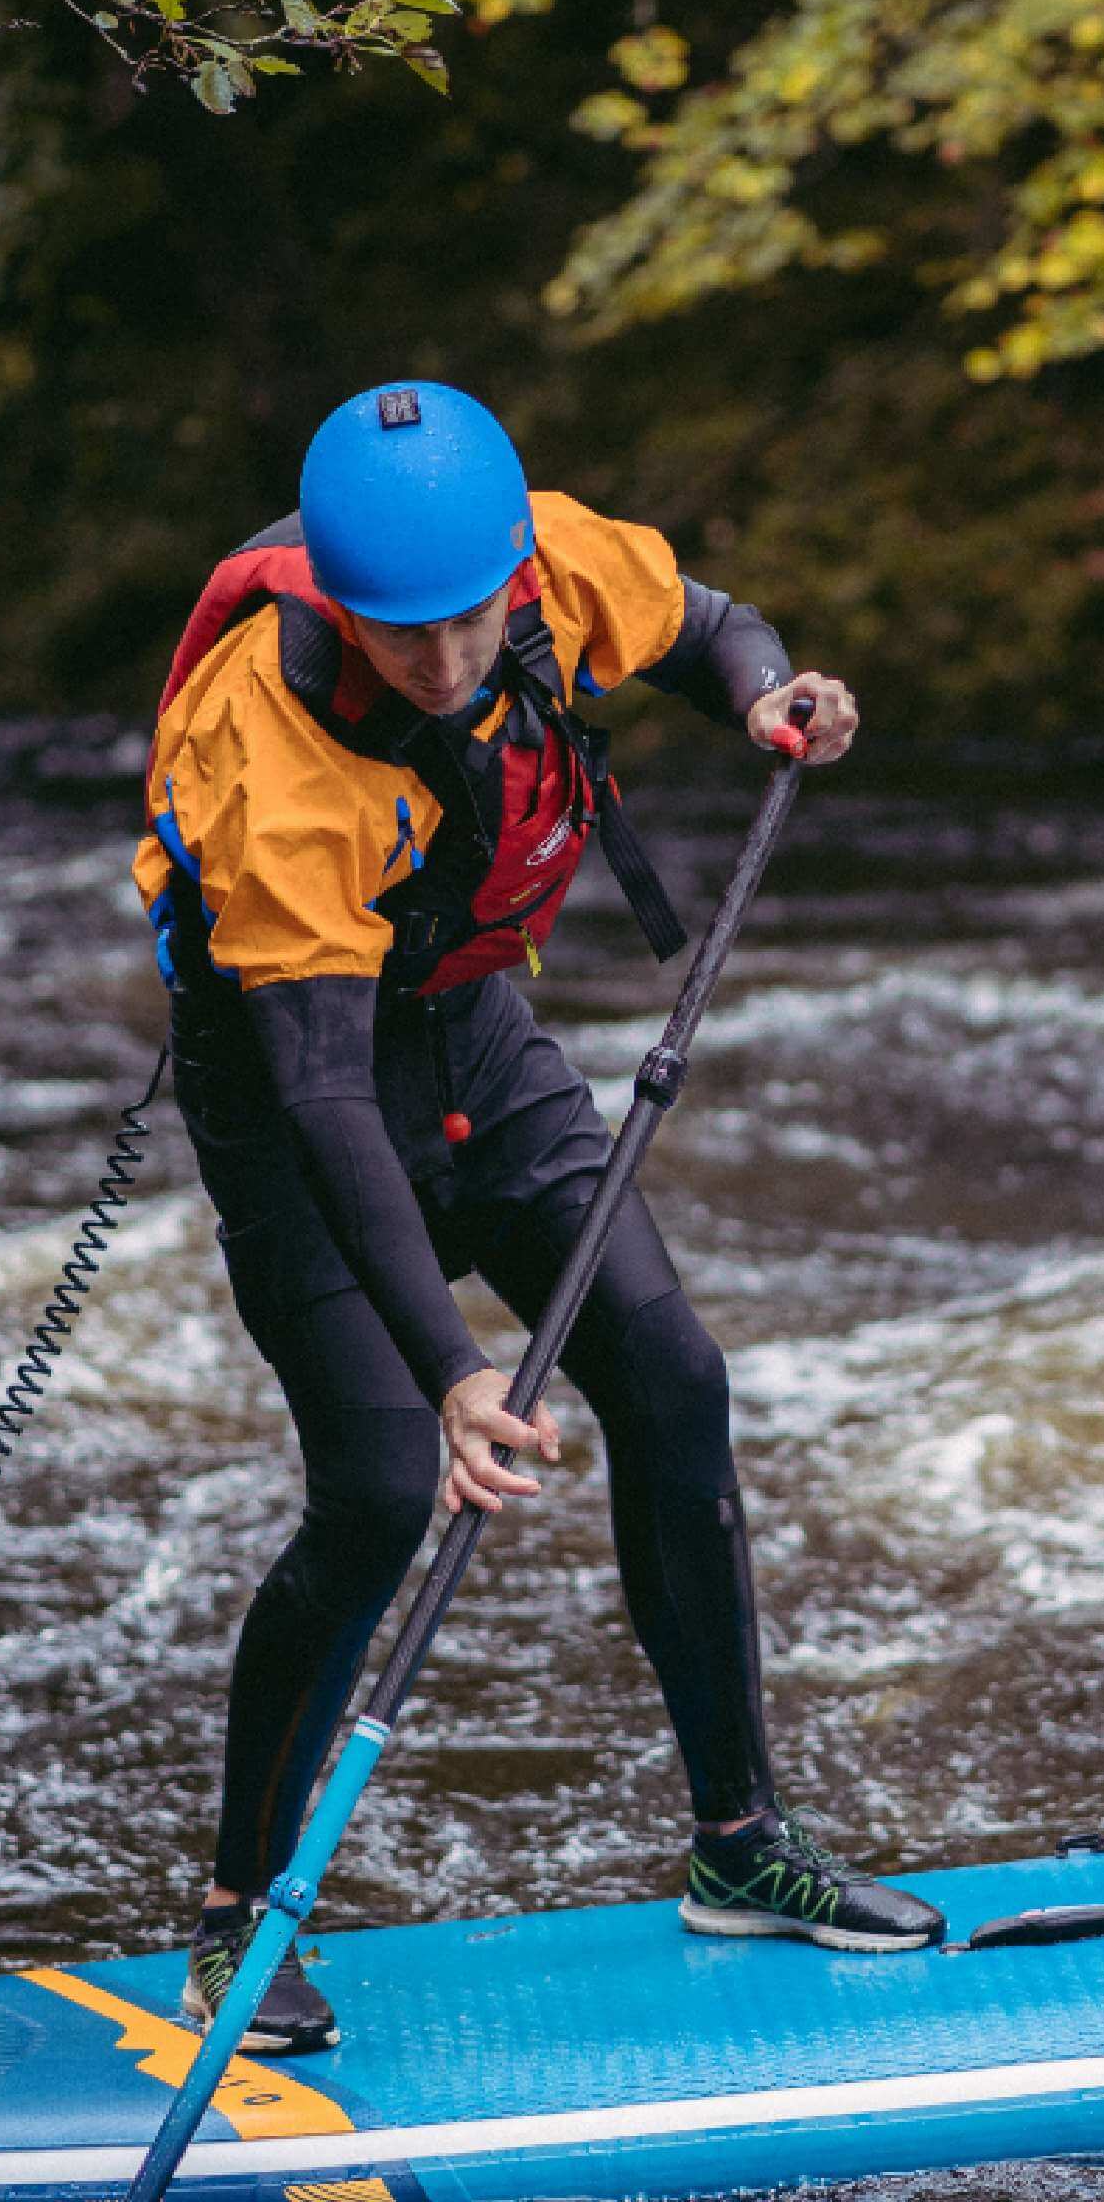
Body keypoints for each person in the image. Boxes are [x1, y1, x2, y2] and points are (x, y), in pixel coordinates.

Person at [130, 380, 937, 2054]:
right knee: (369, 1489)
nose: (441, 666)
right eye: (399, 635)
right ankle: (233, 1926)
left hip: (478, 1037)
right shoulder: (265, 742)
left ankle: (739, 1846)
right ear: (344, 604)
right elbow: (325, 1093)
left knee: (671, 1373)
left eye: (466, 623)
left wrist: (767, 696)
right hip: (299, 1092)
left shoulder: (544, 568)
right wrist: (450, 1373)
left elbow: (711, 620)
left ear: (511, 569)